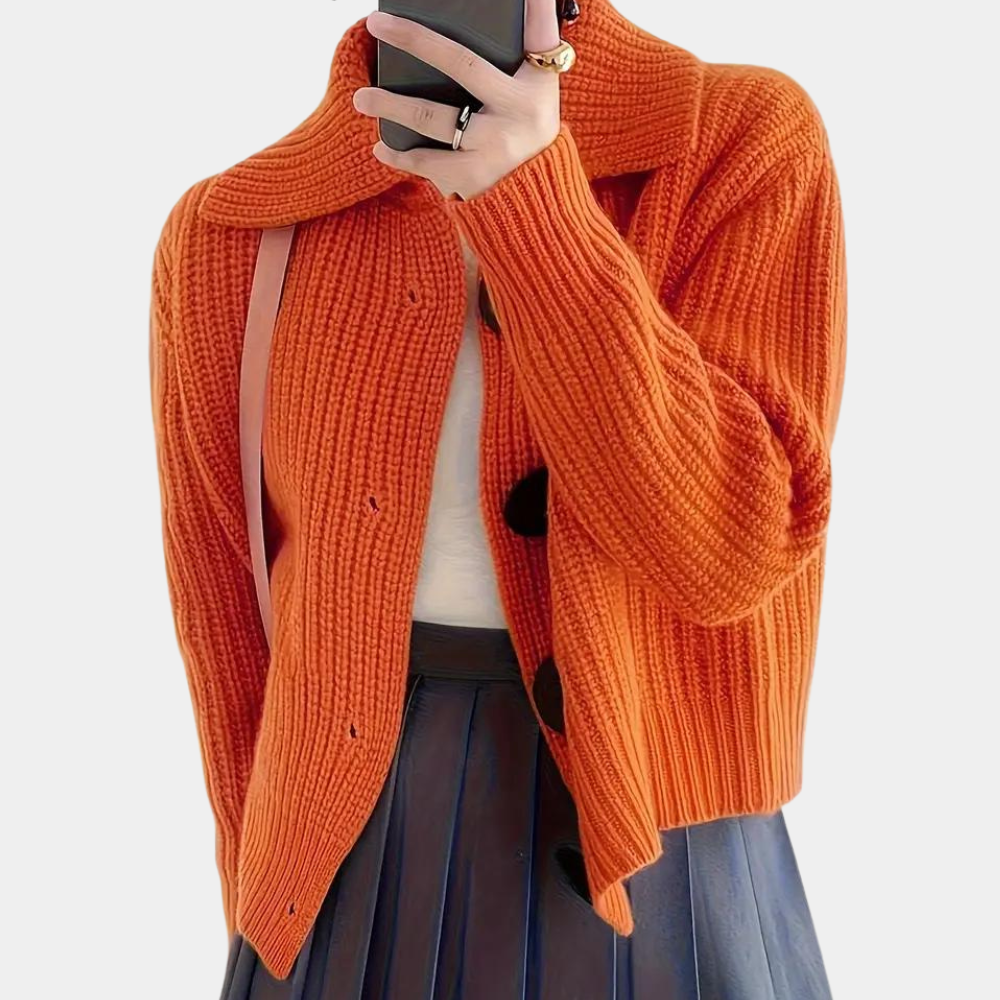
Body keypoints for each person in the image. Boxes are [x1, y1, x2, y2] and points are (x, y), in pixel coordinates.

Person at [148, 0, 847, 996]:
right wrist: (265, 913)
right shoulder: (236, 228)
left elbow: (730, 551)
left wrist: (535, 208)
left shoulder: (736, 140)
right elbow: (224, 633)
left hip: (668, 855)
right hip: (351, 854)